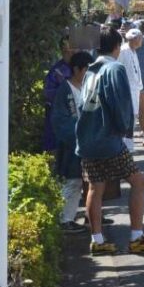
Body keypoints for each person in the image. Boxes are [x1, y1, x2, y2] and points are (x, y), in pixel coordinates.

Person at [75, 28, 144, 256]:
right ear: (117, 46)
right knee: (139, 182)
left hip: (87, 137)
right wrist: (125, 128)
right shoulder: (115, 68)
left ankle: (97, 239)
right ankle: (136, 237)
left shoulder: (91, 70)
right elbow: (120, 103)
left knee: (95, 186)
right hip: (108, 137)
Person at [51, 49, 92, 234]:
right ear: (76, 69)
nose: (88, 75)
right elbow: (59, 121)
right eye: (86, 70)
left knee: (93, 182)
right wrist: (77, 134)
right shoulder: (65, 90)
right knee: (73, 181)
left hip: (90, 142)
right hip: (72, 146)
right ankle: (65, 219)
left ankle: (91, 215)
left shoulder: (88, 86)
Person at [43, 37, 74, 152]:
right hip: (59, 117)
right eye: (68, 50)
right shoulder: (57, 71)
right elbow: (48, 93)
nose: (72, 52)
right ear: (64, 51)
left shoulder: (78, 67)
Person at [118, 29, 144, 152]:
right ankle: (125, 145)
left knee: (133, 116)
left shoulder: (134, 51)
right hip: (126, 90)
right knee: (127, 117)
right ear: (134, 39)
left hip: (135, 89)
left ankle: (128, 144)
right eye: (140, 38)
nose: (141, 41)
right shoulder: (123, 51)